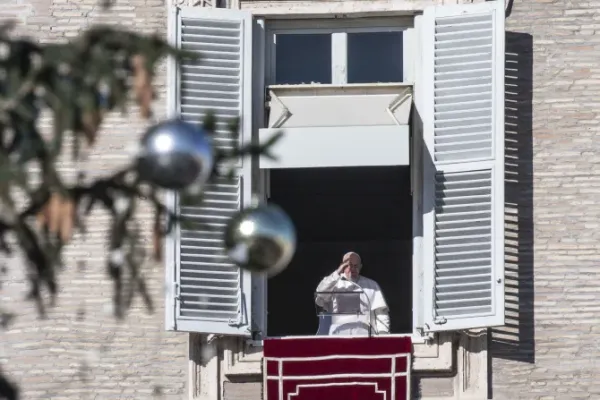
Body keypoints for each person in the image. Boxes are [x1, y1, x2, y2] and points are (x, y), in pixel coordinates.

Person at [314, 252, 390, 336]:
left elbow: (381, 313)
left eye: (355, 266)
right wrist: (337, 272)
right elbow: (320, 293)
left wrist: (383, 334)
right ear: (342, 266)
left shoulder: (371, 285)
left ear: (360, 267)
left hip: (364, 335)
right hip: (338, 334)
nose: (352, 268)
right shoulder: (333, 283)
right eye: (348, 265)